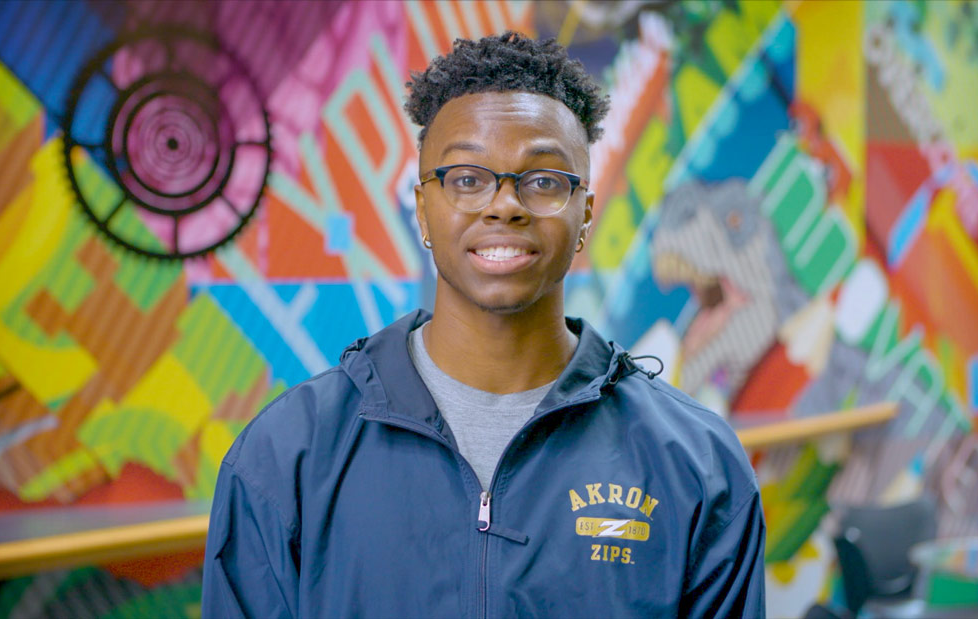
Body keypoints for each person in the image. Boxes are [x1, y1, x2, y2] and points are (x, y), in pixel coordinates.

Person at [202, 31, 765, 618]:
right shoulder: (286, 455)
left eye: (544, 180)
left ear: (585, 217)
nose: (504, 204)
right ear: (424, 209)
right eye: (467, 179)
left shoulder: (695, 464)